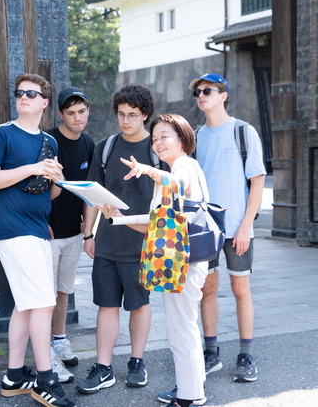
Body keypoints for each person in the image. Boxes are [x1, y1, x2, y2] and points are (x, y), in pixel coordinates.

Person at [0, 73, 75, 407]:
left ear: (44, 103)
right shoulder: (2, 133)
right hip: (14, 230)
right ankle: (46, 379)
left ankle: (14, 375)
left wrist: (58, 179)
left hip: (37, 229)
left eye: (32, 94)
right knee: (44, 302)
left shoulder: (51, 142)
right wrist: (33, 167)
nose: (24, 97)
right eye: (20, 93)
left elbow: (49, 194)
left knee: (26, 303)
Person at [99, 114, 209, 407]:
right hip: (184, 259)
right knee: (184, 324)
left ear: (183, 139)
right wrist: (119, 218)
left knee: (180, 326)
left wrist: (148, 170)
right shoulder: (172, 170)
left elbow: (179, 183)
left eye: (165, 136)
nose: (158, 142)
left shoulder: (183, 165)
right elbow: (154, 224)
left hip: (183, 262)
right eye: (155, 138)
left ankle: (190, 396)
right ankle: (191, 386)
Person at [75, 84, 157, 395]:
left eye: (132, 115)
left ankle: (137, 361)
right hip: (108, 242)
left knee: (139, 304)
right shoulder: (106, 147)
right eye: (121, 115)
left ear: (145, 115)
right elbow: (92, 192)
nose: (125, 121)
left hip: (142, 244)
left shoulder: (156, 149)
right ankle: (104, 367)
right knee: (106, 305)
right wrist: (88, 234)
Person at [188, 73, 266, 383]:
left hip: (236, 228)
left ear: (224, 95)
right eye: (198, 92)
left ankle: (246, 354)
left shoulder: (244, 132)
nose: (201, 96)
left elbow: (257, 181)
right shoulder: (195, 137)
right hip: (206, 228)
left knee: (240, 289)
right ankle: (211, 353)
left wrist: (247, 225)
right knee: (207, 289)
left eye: (208, 90)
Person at [45, 87, 96, 383]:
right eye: (71, 112)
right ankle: (46, 355)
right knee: (45, 295)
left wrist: (88, 232)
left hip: (73, 234)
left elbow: (89, 193)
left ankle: (60, 340)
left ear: (87, 111)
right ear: (61, 114)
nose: (77, 117)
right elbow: (36, 186)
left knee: (64, 290)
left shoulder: (88, 143)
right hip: (47, 233)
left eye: (81, 111)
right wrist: (40, 221)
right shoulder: (49, 141)